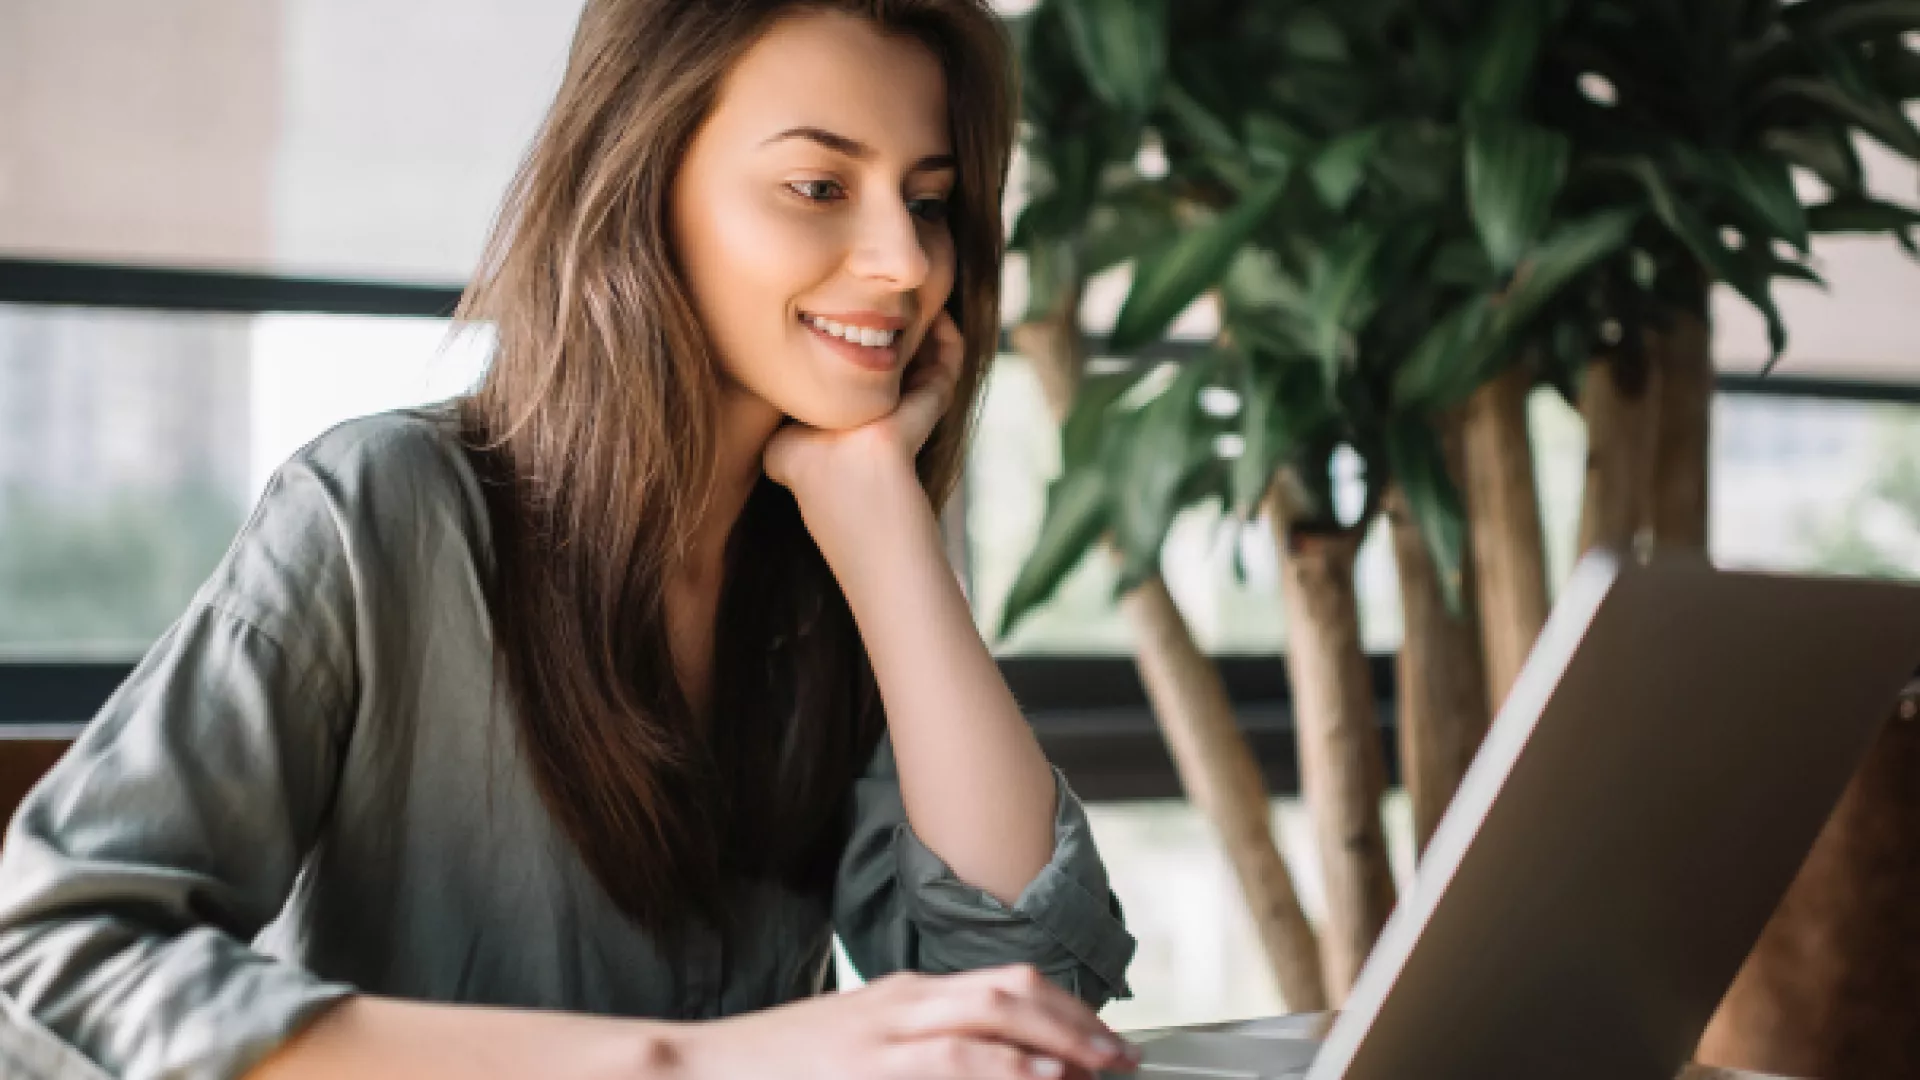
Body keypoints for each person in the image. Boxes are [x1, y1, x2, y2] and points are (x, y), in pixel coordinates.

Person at [0, 2, 1140, 1078]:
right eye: (816, 186)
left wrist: (889, 532)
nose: (907, 260)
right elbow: (52, 958)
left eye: (929, 201)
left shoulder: (828, 565)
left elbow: (1031, 1000)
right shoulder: (378, 512)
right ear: (641, 185)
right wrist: (677, 1063)